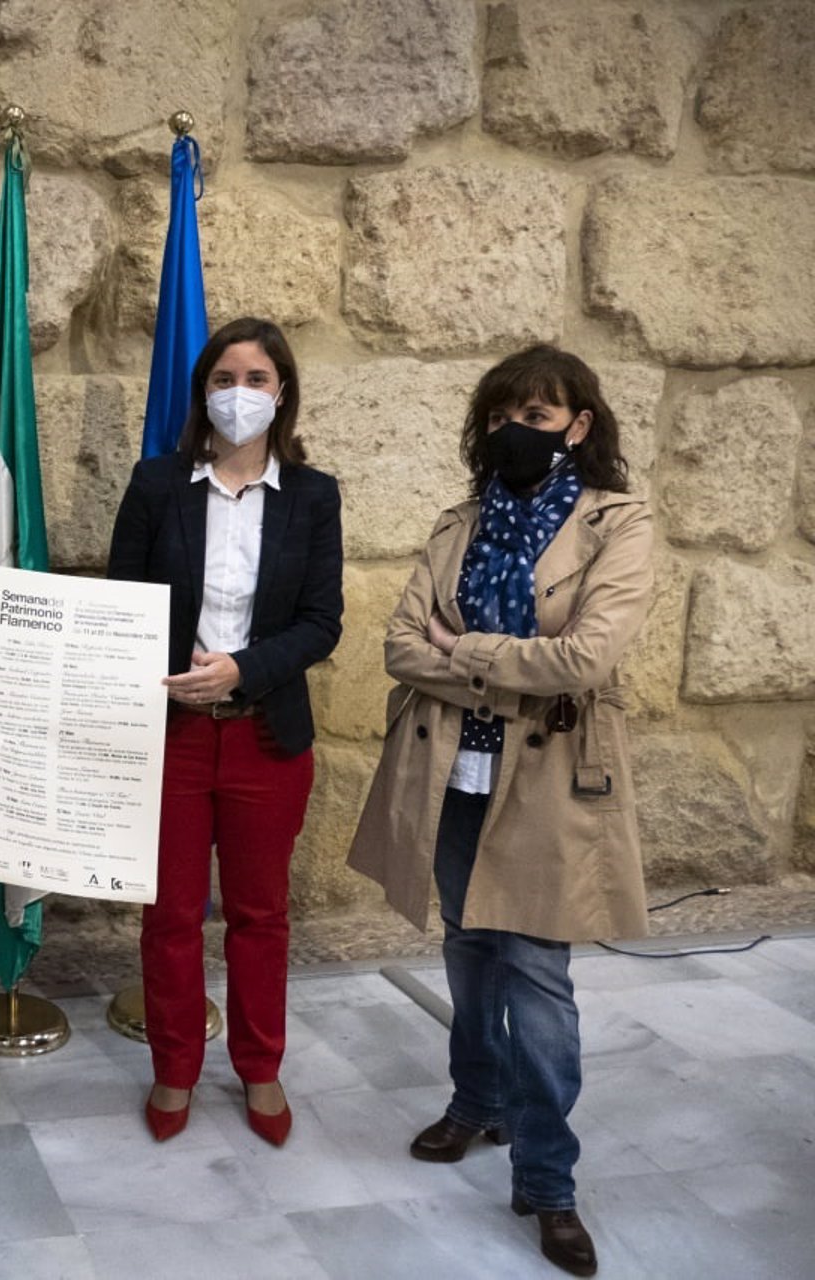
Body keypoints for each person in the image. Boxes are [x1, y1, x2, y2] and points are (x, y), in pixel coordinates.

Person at [348, 345, 653, 1277]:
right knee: (467, 953)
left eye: (537, 413)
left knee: (538, 979)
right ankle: (475, 1102)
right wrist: (494, 653)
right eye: (501, 414)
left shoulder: (618, 524)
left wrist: (466, 649)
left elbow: (585, 661)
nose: (515, 429)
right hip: (449, 777)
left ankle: (549, 1182)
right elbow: (402, 647)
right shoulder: (459, 522)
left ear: (579, 425)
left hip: (551, 784)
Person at [106, 316, 343, 1149]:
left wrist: (242, 669)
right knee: (168, 915)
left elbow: (322, 622)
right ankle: (175, 1066)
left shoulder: (314, 496)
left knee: (259, 914)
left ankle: (260, 1065)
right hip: (169, 736)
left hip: (265, 737)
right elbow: (118, 606)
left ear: (282, 394)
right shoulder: (155, 484)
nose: (238, 394)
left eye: (257, 379)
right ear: (201, 390)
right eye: (223, 378)